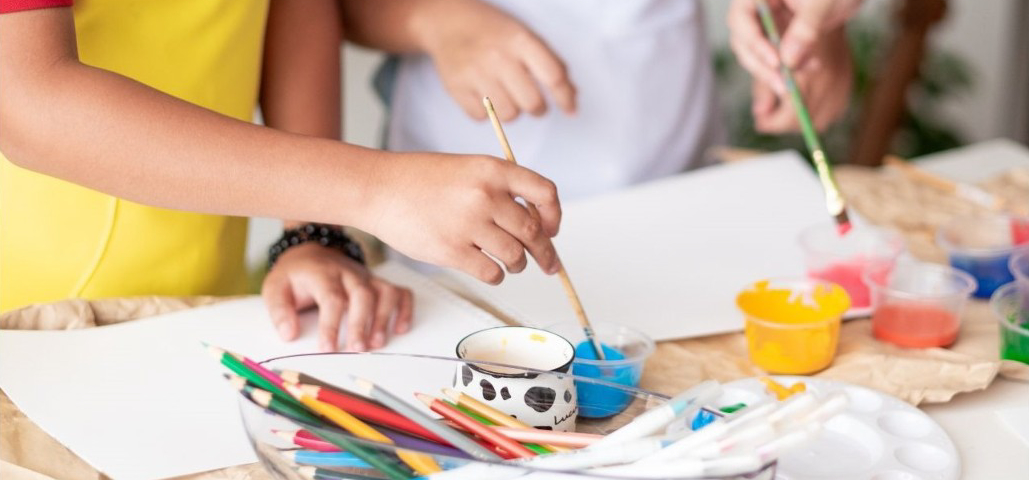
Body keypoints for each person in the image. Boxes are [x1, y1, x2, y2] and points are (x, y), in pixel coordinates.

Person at [0, 0, 563, 353]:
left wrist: (312, 232)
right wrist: (377, 190)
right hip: (26, 323)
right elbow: (25, 103)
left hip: (191, 310)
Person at [341, 0, 858, 201]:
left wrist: (812, 28)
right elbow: (317, 13)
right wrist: (430, 20)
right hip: (464, 210)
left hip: (680, 188)